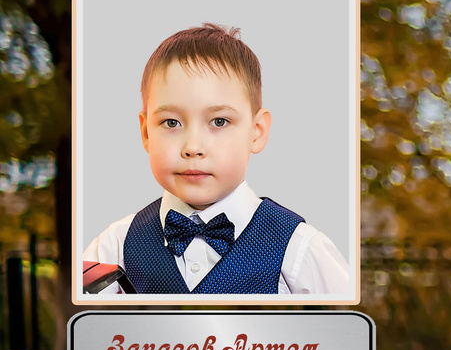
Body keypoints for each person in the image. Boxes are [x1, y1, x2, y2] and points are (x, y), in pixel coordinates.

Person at [78, 23, 355, 299]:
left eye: (219, 121)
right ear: (146, 132)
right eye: (171, 122)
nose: (193, 147)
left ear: (257, 131)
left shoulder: (300, 250)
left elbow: (345, 325)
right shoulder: (114, 248)